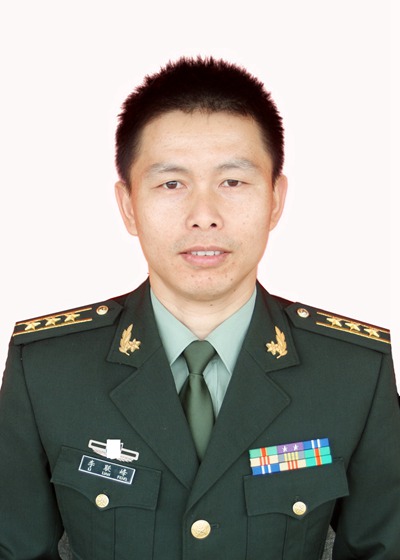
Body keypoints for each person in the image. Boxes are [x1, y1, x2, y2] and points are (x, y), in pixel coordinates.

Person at [0, 57, 399, 560]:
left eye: (233, 182)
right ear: (129, 206)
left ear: (276, 199)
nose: (204, 216)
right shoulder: (47, 369)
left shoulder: (353, 372)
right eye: (172, 184)